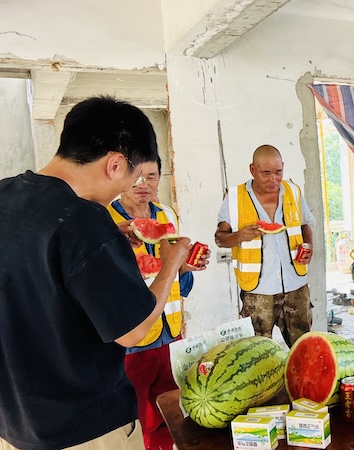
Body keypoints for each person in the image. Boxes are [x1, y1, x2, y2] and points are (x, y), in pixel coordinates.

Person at [0, 96, 190, 450]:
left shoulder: (6, 194)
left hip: (13, 428)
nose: (125, 191)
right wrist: (171, 263)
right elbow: (132, 330)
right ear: (115, 164)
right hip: (86, 431)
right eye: (131, 178)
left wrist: (106, 242)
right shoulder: (85, 219)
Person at [107, 157, 208, 450]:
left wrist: (187, 267)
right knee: (135, 422)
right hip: (132, 341)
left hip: (170, 335)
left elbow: (175, 274)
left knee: (171, 416)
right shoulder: (105, 220)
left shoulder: (167, 214)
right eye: (137, 177)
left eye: (151, 176)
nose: (144, 184)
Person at [215, 145, 315, 347]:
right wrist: (239, 236)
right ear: (252, 170)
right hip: (257, 290)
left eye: (278, 172)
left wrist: (309, 246)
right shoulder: (234, 197)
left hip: (296, 285)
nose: (273, 179)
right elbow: (220, 238)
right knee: (258, 352)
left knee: (303, 349)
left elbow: (305, 225)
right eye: (266, 173)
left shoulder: (293, 192)